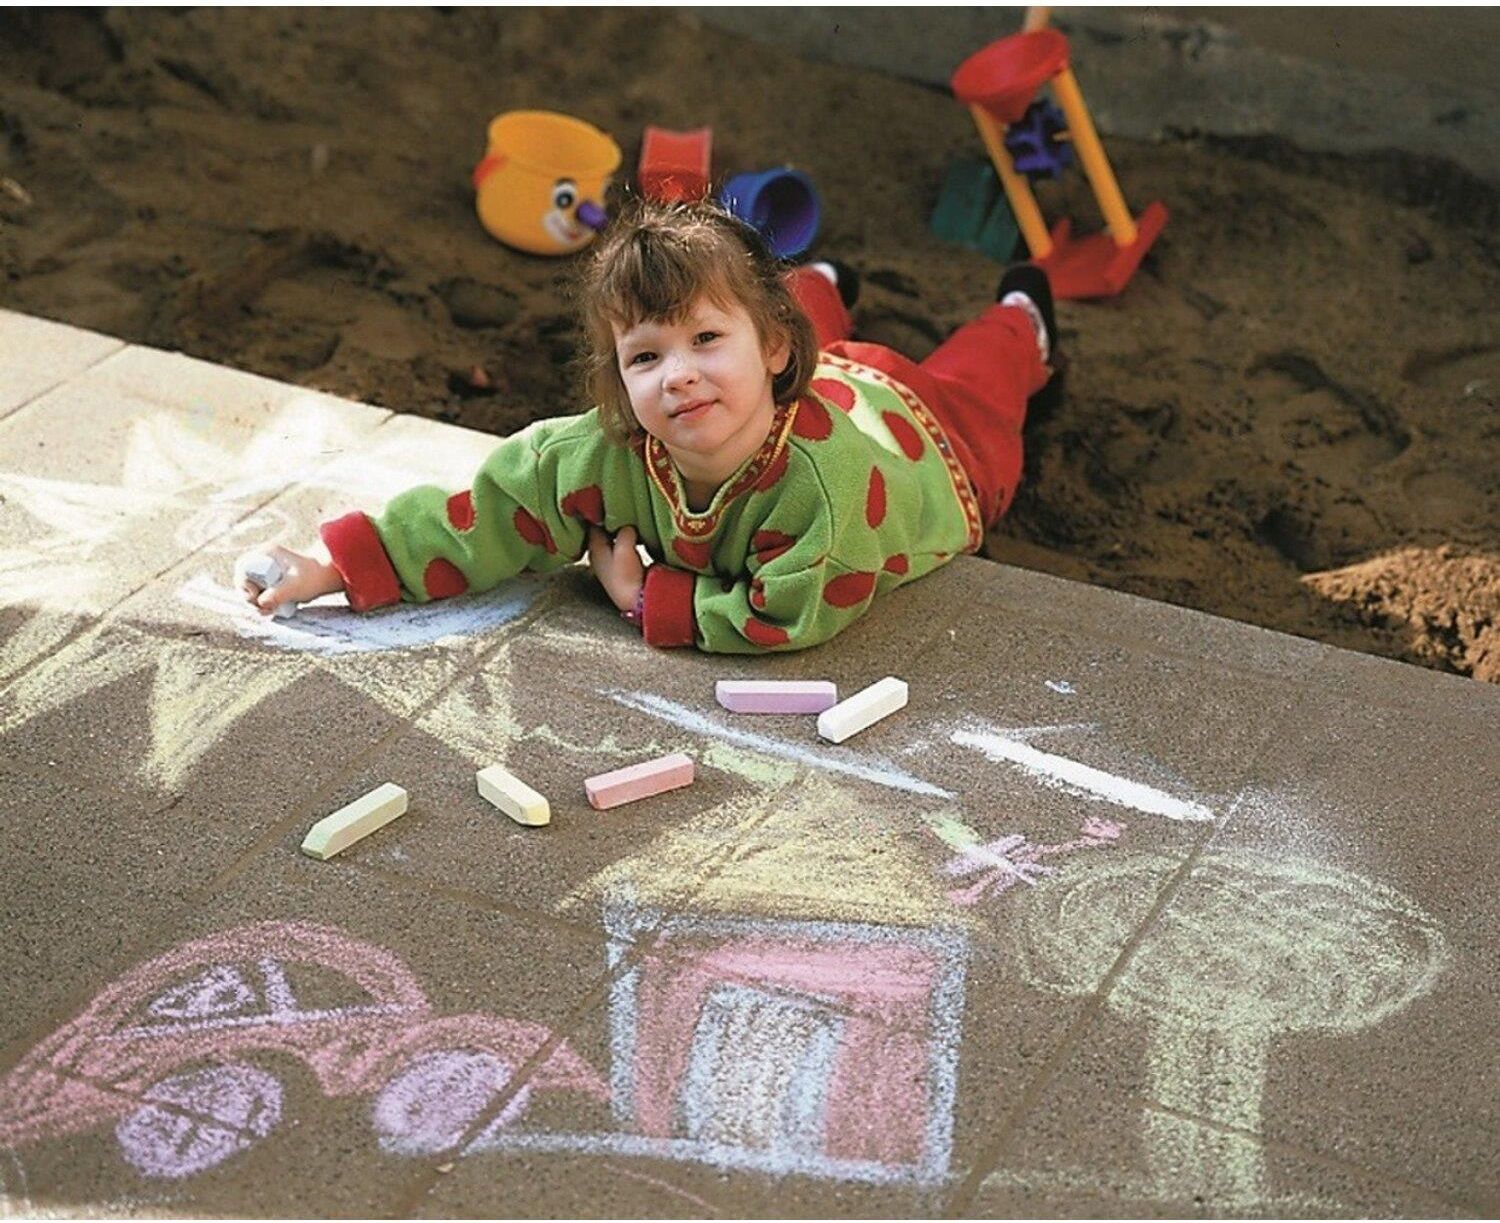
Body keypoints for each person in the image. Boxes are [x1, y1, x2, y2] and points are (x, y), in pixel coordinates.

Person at [236, 198, 1056, 654]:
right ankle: (814, 285)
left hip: (930, 443)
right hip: (812, 379)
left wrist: (642, 597)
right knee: (756, 305)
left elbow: (788, 613)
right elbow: (484, 515)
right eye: (645, 356)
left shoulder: (822, 494)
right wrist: (330, 568)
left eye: (702, 342)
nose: (678, 374)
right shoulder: (601, 452)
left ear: (776, 352)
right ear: (620, 382)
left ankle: (1023, 319)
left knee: (983, 375)